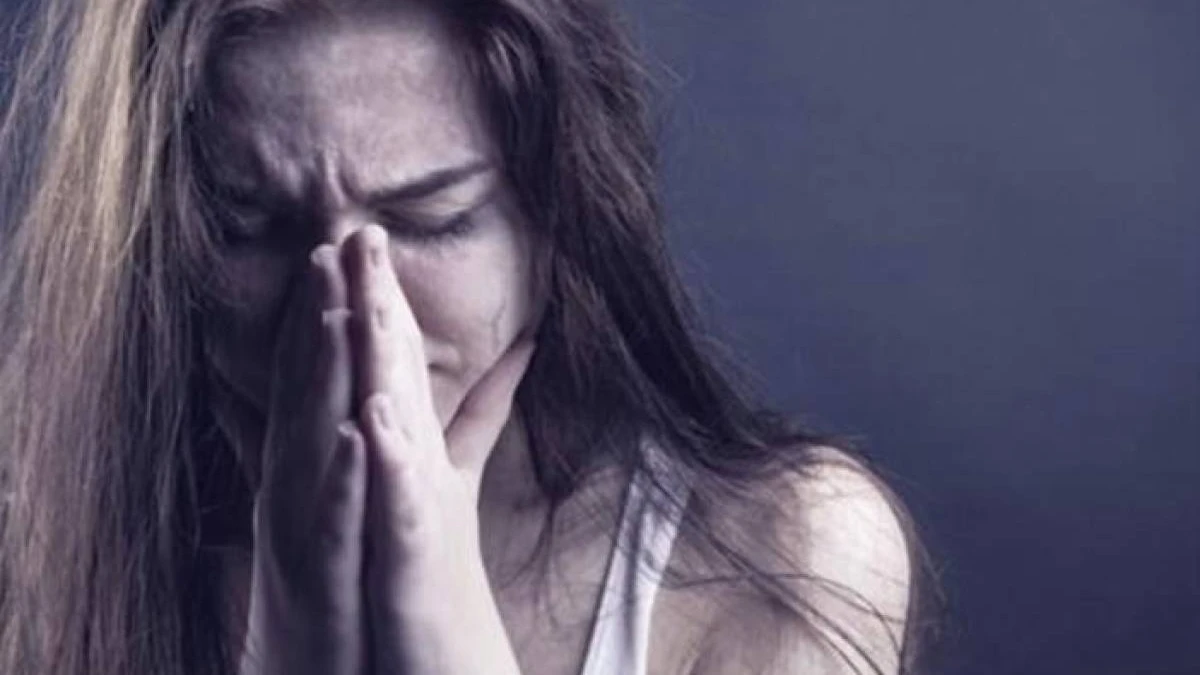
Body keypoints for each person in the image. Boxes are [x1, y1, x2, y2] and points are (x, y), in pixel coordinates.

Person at [0, 0, 934, 673]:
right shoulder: (41, 536)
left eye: (431, 219)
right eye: (251, 225)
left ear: (559, 213)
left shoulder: (784, 553)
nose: (350, 312)